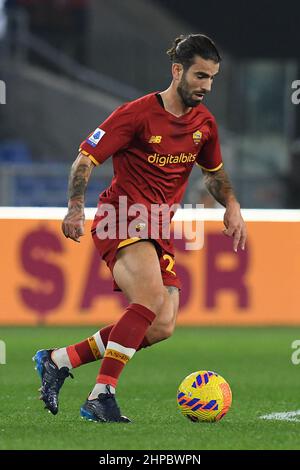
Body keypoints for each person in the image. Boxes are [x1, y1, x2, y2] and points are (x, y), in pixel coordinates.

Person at [33, 34, 246, 423]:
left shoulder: (204, 124)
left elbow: (213, 174)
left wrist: (231, 204)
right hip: (122, 217)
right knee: (148, 300)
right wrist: (75, 208)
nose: (206, 86)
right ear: (177, 70)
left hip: (160, 228)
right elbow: (86, 158)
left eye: (212, 78)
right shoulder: (136, 114)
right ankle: (101, 396)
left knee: (162, 324)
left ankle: (59, 360)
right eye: (200, 76)